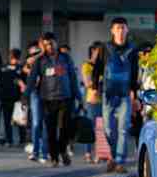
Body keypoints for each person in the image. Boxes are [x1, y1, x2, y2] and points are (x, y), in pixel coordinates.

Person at [26, 33, 82, 167]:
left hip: (65, 98)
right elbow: (32, 79)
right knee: (50, 130)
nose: (49, 46)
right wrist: (25, 95)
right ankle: (54, 157)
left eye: (51, 43)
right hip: (48, 99)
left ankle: (63, 151)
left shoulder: (66, 58)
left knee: (64, 128)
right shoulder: (40, 61)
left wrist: (79, 96)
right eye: (46, 44)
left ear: (56, 43)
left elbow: (73, 78)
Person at [99, 17, 140, 174]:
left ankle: (120, 161)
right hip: (107, 93)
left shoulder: (132, 49)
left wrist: (134, 94)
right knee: (108, 129)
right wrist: (96, 86)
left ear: (127, 30)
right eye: (117, 28)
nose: (120, 31)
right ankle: (114, 157)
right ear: (112, 30)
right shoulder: (105, 47)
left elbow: (135, 72)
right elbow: (98, 67)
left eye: (123, 28)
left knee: (123, 129)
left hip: (124, 94)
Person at [22, 41, 49, 162]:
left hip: (47, 92)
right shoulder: (36, 57)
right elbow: (28, 63)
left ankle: (45, 152)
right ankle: (35, 151)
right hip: (34, 92)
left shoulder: (48, 58)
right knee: (36, 123)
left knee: (46, 123)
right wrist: (41, 53)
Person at [0, 48, 26, 146]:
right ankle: (19, 140)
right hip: (14, 97)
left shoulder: (4, 67)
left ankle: (10, 140)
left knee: (11, 120)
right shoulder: (19, 68)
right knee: (18, 119)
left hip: (9, 97)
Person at [80, 42, 104, 163]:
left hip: (104, 100)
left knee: (102, 129)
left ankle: (100, 154)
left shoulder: (104, 66)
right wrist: (100, 81)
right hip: (92, 100)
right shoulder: (87, 65)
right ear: (93, 51)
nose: (100, 54)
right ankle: (88, 153)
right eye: (98, 52)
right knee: (90, 128)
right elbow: (87, 83)